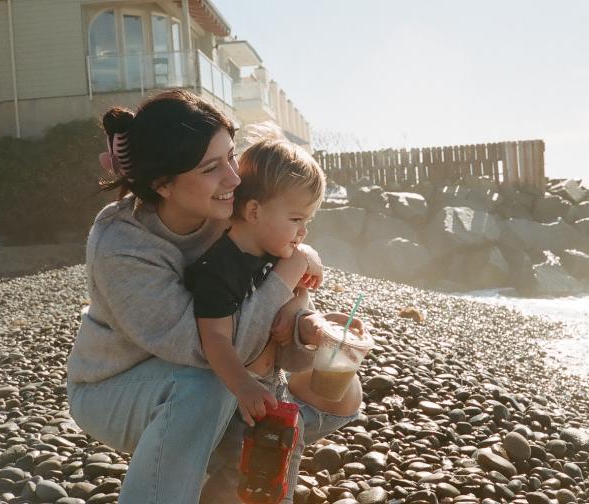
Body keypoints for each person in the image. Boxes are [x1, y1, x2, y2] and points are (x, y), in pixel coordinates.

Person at [66, 89, 364, 504]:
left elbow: (275, 279)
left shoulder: (227, 207)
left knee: (326, 402)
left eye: (231, 156)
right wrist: (292, 269)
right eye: (212, 167)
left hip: (216, 378)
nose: (234, 179)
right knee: (209, 387)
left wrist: (302, 311)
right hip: (113, 388)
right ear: (163, 185)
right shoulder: (122, 245)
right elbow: (209, 350)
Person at [194, 135, 365, 502]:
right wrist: (243, 386)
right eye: (296, 219)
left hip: (269, 389)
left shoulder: (273, 254)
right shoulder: (219, 269)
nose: (304, 231)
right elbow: (216, 340)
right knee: (248, 474)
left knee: (273, 464)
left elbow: (292, 307)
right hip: (232, 397)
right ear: (254, 211)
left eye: (308, 220)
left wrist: (309, 319)